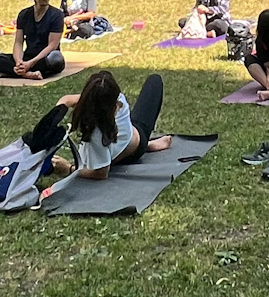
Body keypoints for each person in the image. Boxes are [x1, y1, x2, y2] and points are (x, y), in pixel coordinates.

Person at [30, 70, 174, 200]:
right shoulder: (103, 122)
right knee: (154, 80)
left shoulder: (101, 128)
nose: (119, 106)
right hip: (131, 139)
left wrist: (67, 167)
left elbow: (100, 173)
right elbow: (67, 99)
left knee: (154, 81)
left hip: (135, 139)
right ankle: (146, 145)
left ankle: (148, 145)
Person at [0, 0, 67, 80]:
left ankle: (14, 72)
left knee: (56, 58)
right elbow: (18, 42)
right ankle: (27, 74)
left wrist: (30, 63)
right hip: (27, 56)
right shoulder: (24, 15)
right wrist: (18, 61)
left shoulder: (57, 15)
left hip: (44, 58)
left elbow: (52, 45)